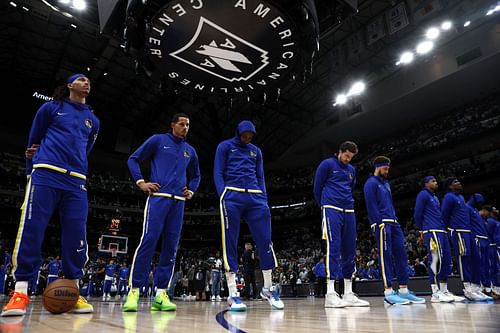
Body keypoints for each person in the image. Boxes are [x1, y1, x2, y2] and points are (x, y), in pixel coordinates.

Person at [1, 73, 98, 317]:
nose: (86, 82)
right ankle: (21, 291)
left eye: (88, 80)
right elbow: (33, 140)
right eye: (81, 79)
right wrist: (28, 172)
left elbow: (86, 149)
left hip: (76, 180)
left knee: (77, 234)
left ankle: (74, 290)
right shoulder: (51, 108)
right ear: (69, 85)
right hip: (46, 173)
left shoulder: (93, 120)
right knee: (33, 228)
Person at [123, 113, 200, 312]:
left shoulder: (190, 151)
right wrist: (141, 182)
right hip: (158, 199)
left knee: (171, 247)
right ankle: (134, 291)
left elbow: (196, 175)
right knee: (148, 241)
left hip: (179, 203)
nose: (185, 127)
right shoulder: (158, 140)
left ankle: (161, 293)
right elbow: (133, 159)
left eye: (188, 125)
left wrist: (191, 189)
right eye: (182, 124)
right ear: (173, 124)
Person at [214, 120, 284, 311]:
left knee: (265, 240)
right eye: (245, 134)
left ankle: (268, 289)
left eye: (250, 135)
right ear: (238, 132)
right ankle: (232, 294)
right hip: (232, 195)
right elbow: (218, 172)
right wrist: (223, 193)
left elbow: (260, 176)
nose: (248, 138)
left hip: (255, 197)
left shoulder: (256, 151)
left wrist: (263, 197)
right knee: (230, 241)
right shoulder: (225, 146)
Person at [313, 141, 369, 307]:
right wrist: (324, 205)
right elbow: (317, 188)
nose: (348, 159)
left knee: (350, 249)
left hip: (349, 210)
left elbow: (351, 188)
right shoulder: (327, 164)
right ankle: (330, 293)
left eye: (351, 157)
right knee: (333, 247)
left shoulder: (351, 170)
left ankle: (348, 292)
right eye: (346, 156)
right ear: (340, 152)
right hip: (331, 208)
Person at [363, 156, 425, 305]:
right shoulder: (370, 183)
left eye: (388, 168)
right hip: (382, 223)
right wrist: (379, 223)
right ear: (378, 167)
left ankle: (403, 290)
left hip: (393, 222)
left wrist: (395, 219)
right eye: (385, 168)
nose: (387, 171)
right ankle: (388, 291)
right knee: (386, 255)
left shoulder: (386, 184)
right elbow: (371, 206)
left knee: (402, 255)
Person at [413, 176, 458, 302]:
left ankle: (444, 290)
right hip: (432, 231)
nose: (436, 182)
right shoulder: (423, 194)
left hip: (441, 230)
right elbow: (417, 213)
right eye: (433, 181)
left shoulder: (435, 197)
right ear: (426, 183)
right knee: (435, 259)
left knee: (447, 260)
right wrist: (422, 229)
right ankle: (435, 292)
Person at [441, 178, 486, 301]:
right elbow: (444, 215)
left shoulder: (460, 197)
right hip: (458, 231)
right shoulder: (448, 197)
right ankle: (467, 288)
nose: (459, 183)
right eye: (456, 182)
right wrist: (447, 230)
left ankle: (476, 287)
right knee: (464, 258)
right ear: (450, 186)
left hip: (468, 231)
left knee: (475, 258)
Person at [466, 194, 493, 301]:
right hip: (476, 238)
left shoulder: (474, 210)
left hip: (483, 239)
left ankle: (479, 289)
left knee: (484, 265)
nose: (481, 203)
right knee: (478, 264)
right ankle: (475, 288)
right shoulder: (467, 208)